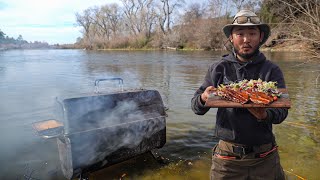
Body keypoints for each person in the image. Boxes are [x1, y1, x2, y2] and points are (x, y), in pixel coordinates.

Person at [191, 10, 288, 180]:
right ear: (231, 37)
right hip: (227, 159)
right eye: (240, 33)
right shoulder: (218, 68)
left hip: (265, 157)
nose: (246, 39)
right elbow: (196, 108)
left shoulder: (272, 70)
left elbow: (282, 112)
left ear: (260, 36)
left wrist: (265, 115)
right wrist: (203, 98)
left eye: (252, 33)